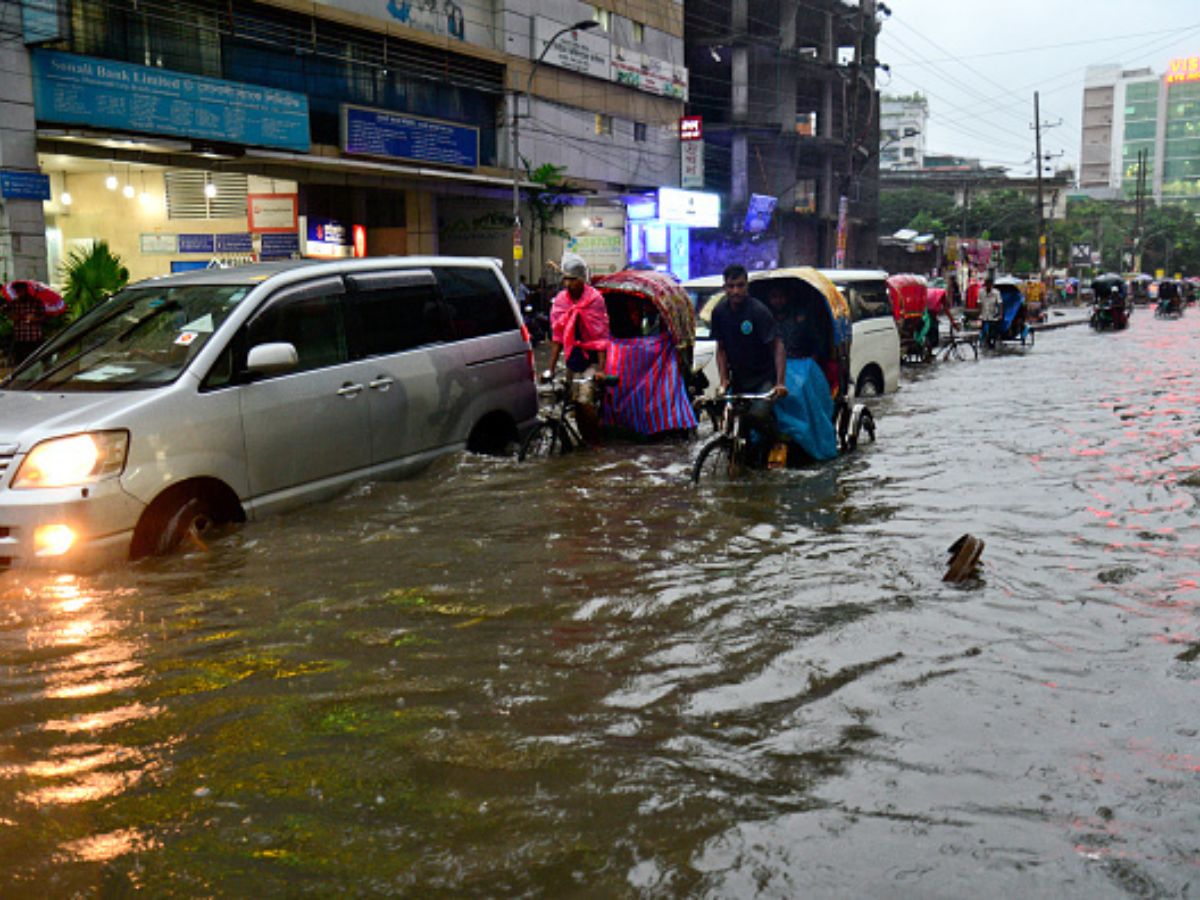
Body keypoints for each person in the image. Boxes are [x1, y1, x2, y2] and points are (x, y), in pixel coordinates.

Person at [711, 264, 787, 447]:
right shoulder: (719, 312)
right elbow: (720, 349)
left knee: (757, 416)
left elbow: (777, 346)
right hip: (738, 379)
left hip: (762, 379)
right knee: (731, 421)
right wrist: (723, 380)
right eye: (731, 286)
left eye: (740, 285)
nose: (736, 291)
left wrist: (780, 382)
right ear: (725, 288)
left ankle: (777, 443)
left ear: (746, 286)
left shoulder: (758, 311)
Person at [545, 253, 610, 441]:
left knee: (584, 400)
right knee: (569, 401)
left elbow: (600, 337)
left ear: (581, 280)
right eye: (565, 279)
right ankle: (582, 440)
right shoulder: (561, 301)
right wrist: (550, 369)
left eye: (572, 280)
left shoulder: (595, 300)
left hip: (591, 359)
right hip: (573, 357)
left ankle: (594, 442)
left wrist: (601, 369)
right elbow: (557, 337)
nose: (567, 284)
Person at [6, 281, 46, 365]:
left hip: (34, 339)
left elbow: (44, 318)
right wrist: (12, 316)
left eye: (20, 290)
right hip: (20, 338)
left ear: (26, 290)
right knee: (20, 364)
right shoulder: (13, 303)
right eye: (17, 291)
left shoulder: (37, 302)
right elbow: (9, 315)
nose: (19, 293)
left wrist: (35, 319)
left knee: (35, 363)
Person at [978, 274, 1002, 348]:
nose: (988, 286)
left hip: (993, 315)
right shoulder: (981, 292)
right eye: (987, 284)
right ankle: (985, 341)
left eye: (989, 284)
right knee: (983, 331)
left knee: (992, 332)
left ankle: (992, 342)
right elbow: (979, 303)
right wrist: (978, 314)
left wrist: (1000, 314)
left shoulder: (996, 293)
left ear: (992, 285)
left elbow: (1000, 304)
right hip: (984, 315)